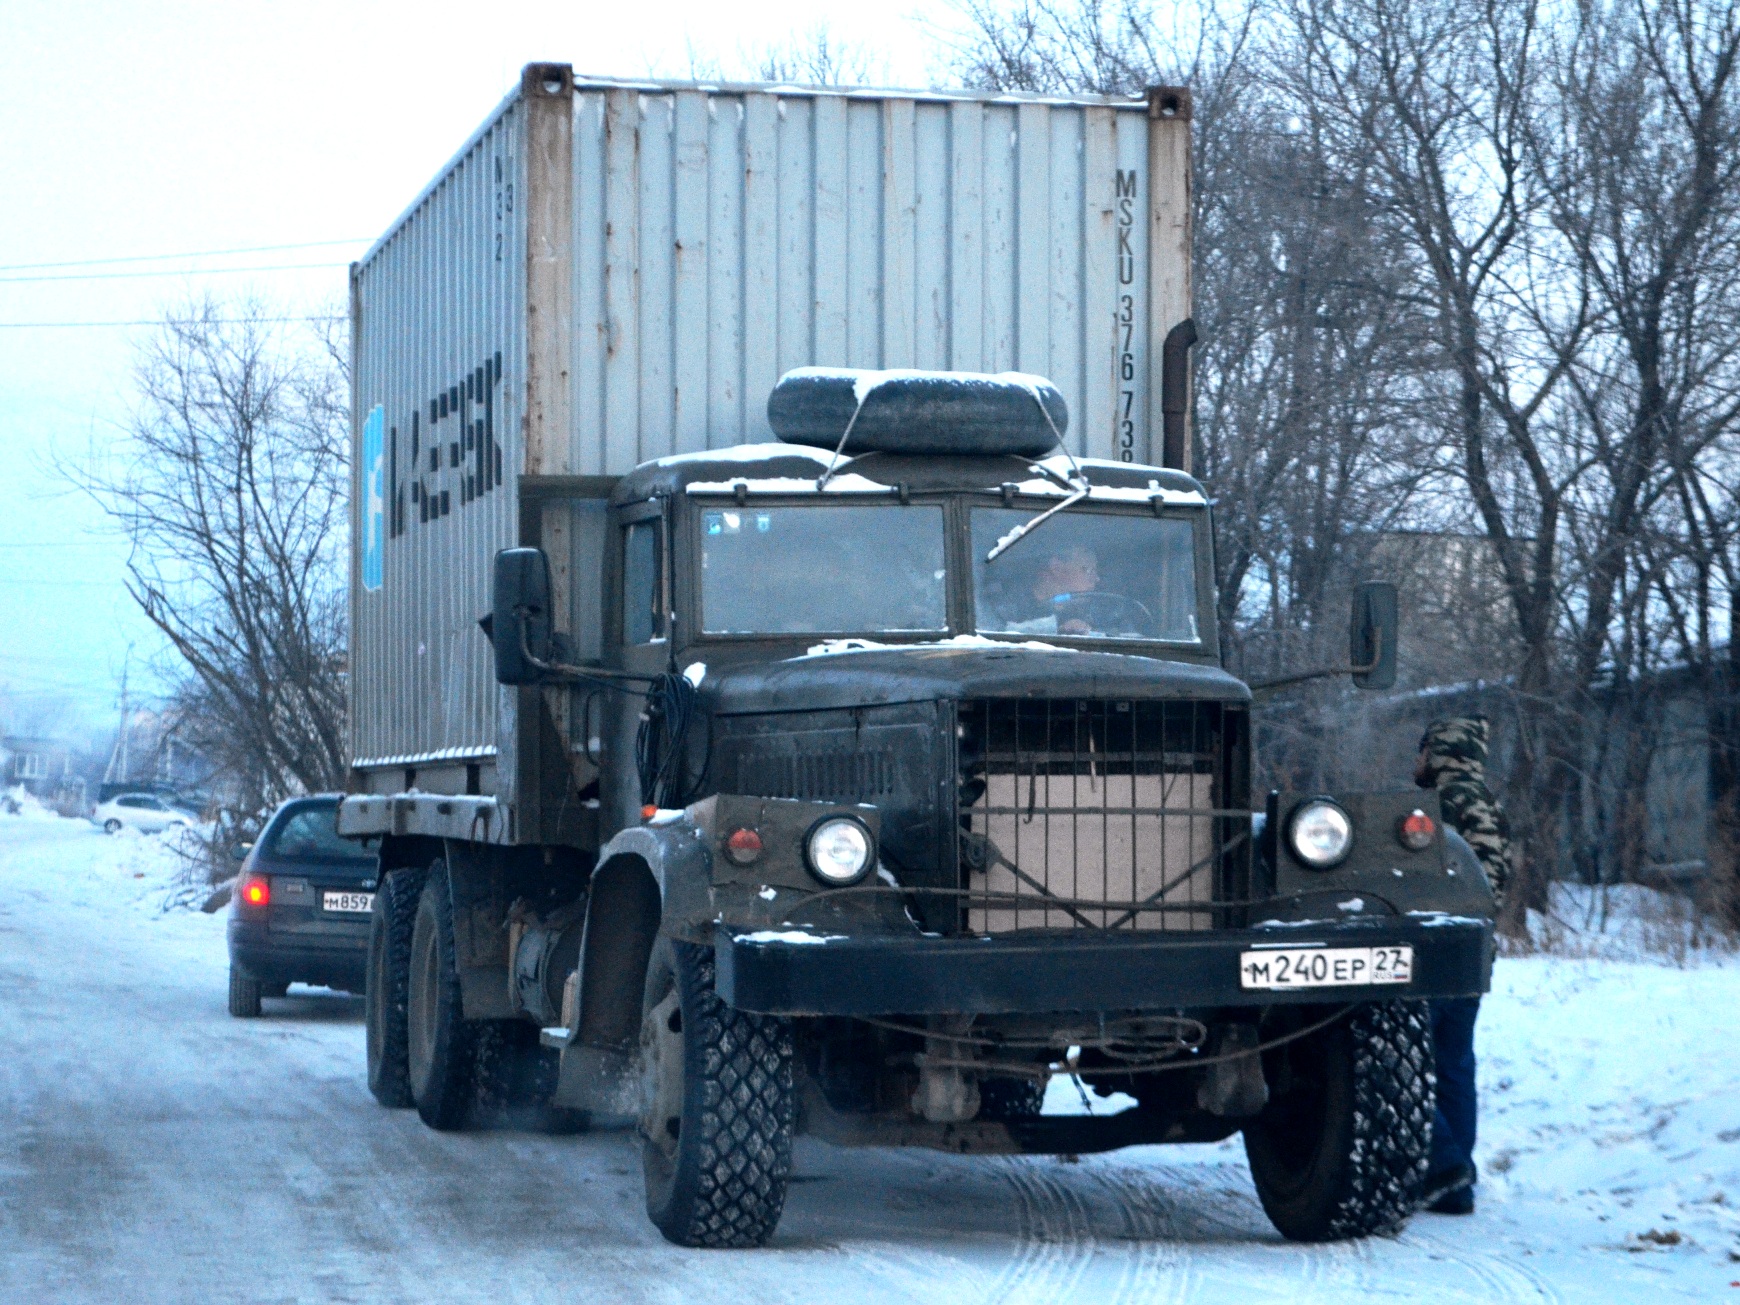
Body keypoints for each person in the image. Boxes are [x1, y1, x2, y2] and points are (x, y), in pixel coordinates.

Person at [1414, 715, 1513, 1216]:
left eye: (1423, 751)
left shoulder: (1438, 805)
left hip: (1434, 954)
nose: (1418, 762)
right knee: (1454, 1068)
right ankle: (1456, 1188)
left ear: (1439, 752)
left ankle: (1444, 1164)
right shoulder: (1490, 802)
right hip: (1474, 954)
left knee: (1408, 1065)